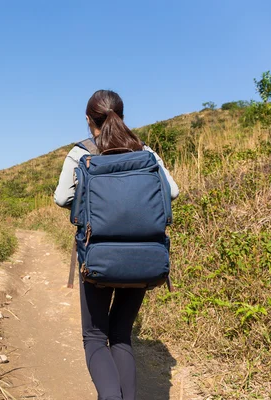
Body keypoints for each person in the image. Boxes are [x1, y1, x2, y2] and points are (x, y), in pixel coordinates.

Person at [54, 89, 179, 400]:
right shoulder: (146, 153)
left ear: (88, 120)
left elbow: (61, 198)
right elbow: (172, 192)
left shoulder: (81, 153)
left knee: (95, 338)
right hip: (143, 256)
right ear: (121, 116)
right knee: (121, 335)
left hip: (97, 255)